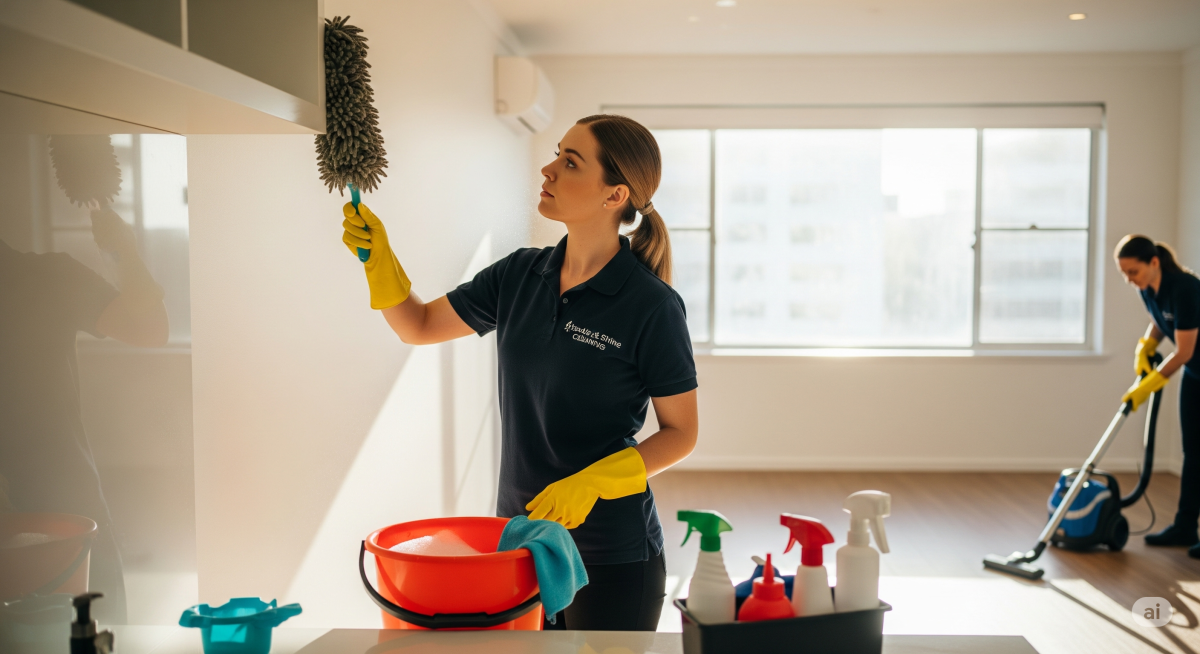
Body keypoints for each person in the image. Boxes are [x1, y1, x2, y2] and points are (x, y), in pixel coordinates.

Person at [341, 114, 698, 630]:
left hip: (612, 554)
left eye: (570, 162)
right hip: (519, 541)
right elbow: (418, 325)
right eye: (556, 155)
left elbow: (682, 433)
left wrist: (593, 482)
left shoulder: (651, 305)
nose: (548, 170)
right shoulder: (520, 274)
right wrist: (379, 259)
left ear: (615, 195)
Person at [1, 206, 169, 624]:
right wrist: (123, 251)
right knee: (96, 634)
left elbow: (150, 330)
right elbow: (150, 329)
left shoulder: (48, 278)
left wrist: (123, 252)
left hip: (64, 506)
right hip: (64, 502)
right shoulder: (47, 277)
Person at [1113, 235, 1200, 556]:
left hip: (1192, 363)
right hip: (1196, 374)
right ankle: (1185, 527)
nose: (1129, 279)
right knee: (1193, 452)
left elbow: (1184, 352)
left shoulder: (1186, 288)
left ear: (1153, 262)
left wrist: (1147, 386)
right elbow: (1161, 320)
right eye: (1124, 273)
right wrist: (1146, 345)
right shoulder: (1148, 287)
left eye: (1133, 271)